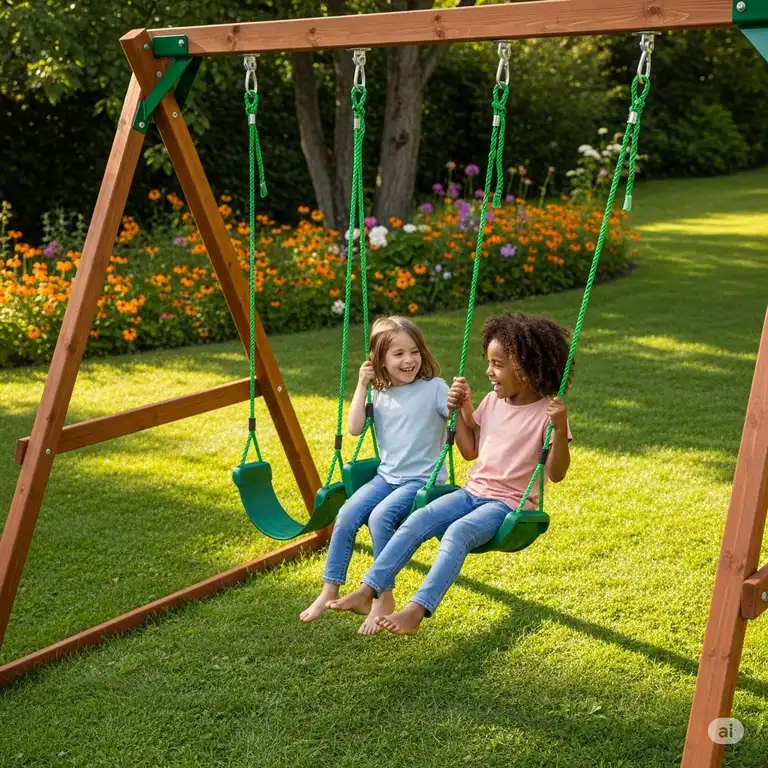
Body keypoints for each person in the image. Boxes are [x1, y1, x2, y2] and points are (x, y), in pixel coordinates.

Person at [328, 312, 572, 635]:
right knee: (417, 519)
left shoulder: (548, 414)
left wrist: (557, 427)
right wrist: (458, 412)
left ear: (526, 370)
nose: (489, 371)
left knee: (458, 533)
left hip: (507, 506)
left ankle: (416, 610)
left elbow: (556, 473)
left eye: (497, 364)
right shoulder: (492, 401)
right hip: (471, 493)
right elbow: (471, 450)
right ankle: (370, 588)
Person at [300, 316, 449, 635]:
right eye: (398, 354)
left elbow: (459, 422)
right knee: (347, 513)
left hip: (423, 481)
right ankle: (330, 588)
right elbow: (354, 428)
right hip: (387, 476)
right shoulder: (377, 392)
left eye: (414, 351)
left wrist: (459, 407)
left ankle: (384, 597)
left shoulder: (434, 388)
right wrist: (361, 384)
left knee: (381, 517)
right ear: (380, 359)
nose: (408, 360)